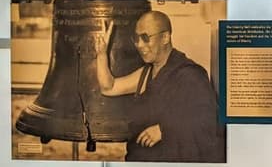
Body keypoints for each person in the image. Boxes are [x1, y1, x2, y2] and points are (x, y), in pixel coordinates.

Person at [93, 10, 225, 163]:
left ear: (165, 37)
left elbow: (207, 122)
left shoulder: (190, 75)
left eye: (145, 38)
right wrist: (102, 55)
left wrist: (165, 129)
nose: (139, 45)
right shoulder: (146, 73)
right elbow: (109, 87)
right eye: (136, 38)